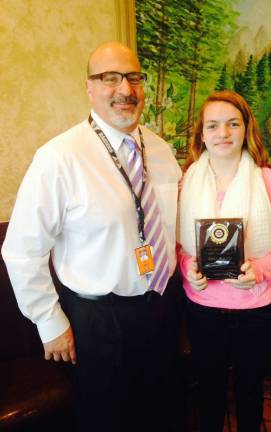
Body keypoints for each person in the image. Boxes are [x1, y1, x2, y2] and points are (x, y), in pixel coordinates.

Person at [2, 42, 182, 432]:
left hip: (161, 305)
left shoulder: (162, 150)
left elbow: (170, 227)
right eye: (110, 78)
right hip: (98, 320)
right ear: (89, 87)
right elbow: (22, 250)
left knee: (161, 409)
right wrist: (50, 323)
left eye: (134, 77)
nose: (125, 89)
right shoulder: (59, 157)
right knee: (108, 418)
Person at [177, 90, 271, 432]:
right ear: (201, 133)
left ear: (246, 128)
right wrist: (188, 266)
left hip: (256, 310)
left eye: (233, 124)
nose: (224, 133)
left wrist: (258, 270)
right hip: (202, 308)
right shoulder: (187, 180)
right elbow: (179, 246)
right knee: (209, 391)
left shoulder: (269, 180)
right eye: (213, 126)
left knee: (250, 389)